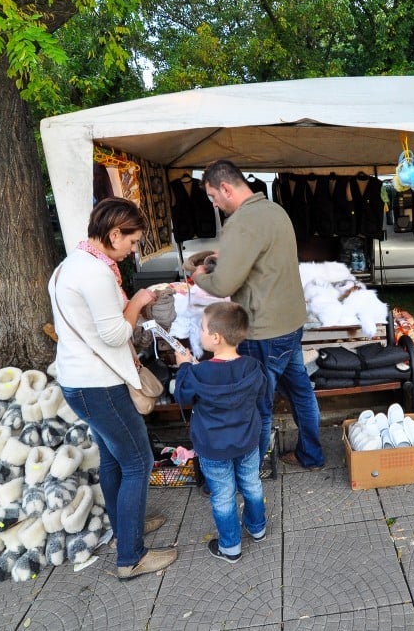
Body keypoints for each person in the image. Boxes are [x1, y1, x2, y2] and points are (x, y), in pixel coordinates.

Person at [48, 197, 177, 580]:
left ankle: (126, 530)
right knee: (138, 462)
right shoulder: (97, 273)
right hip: (100, 384)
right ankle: (131, 557)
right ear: (114, 233)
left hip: (80, 381)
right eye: (133, 242)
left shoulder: (73, 263)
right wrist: (137, 301)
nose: (134, 250)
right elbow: (115, 333)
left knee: (113, 459)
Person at [192, 160, 325, 470]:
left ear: (225, 188)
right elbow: (263, 261)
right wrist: (223, 259)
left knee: (259, 406)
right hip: (291, 323)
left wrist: (199, 275)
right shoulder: (275, 210)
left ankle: (254, 473)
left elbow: (224, 283)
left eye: (213, 196)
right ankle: (312, 455)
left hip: (263, 331)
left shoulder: (240, 222)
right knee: (301, 393)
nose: (214, 203)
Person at [173, 301, 269, 562]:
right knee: (251, 483)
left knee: (223, 494)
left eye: (202, 328)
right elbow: (261, 394)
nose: (200, 332)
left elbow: (181, 395)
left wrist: (183, 366)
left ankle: (230, 546)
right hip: (247, 440)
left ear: (215, 337)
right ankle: (257, 527)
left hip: (213, 446)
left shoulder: (199, 372)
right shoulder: (252, 366)